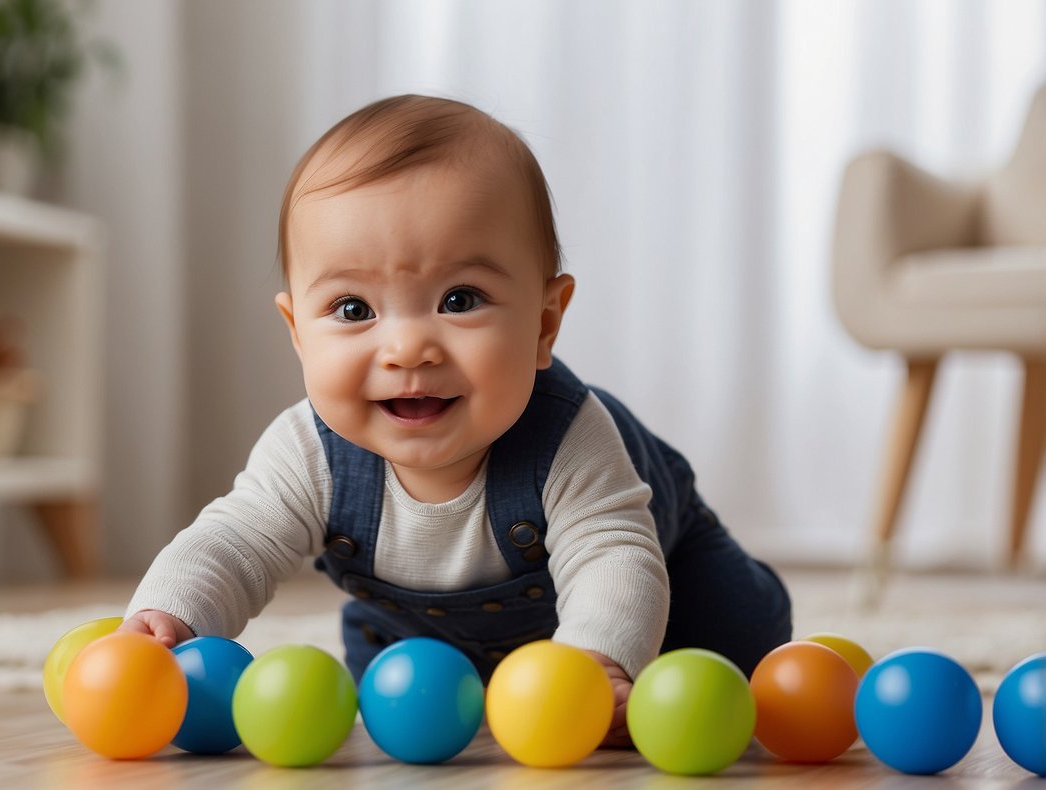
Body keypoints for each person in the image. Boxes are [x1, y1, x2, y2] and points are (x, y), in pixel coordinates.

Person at [120, 94, 791, 746]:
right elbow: (232, 543)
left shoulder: (569, 437)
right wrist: (166, 615)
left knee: (736, 650)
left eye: (458, 299)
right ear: (297, 331)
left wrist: (598, 664)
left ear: (542, 324)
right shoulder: (306, 453)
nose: (408, 347)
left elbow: (611, 559)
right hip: (423, 636)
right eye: (353, 309)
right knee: (406, 692)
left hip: (663, 565)